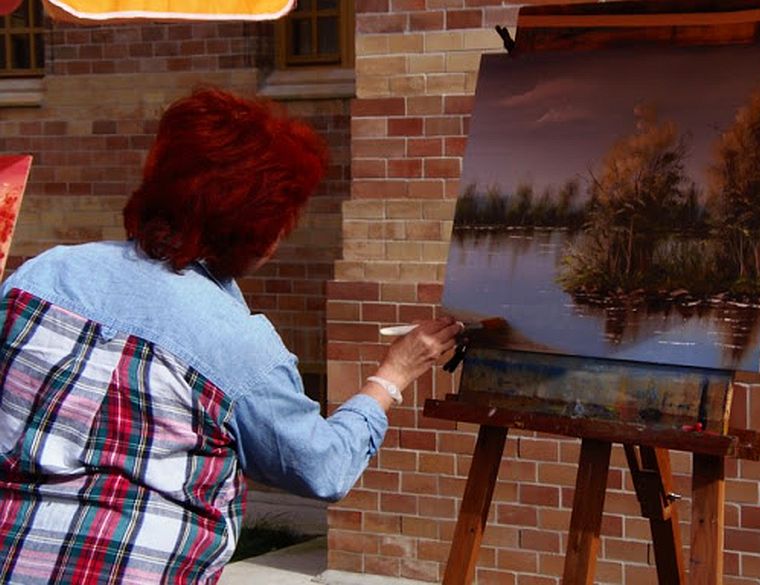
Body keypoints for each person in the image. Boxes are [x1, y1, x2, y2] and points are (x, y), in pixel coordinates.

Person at [0, 88, 461, 584]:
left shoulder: (42, 275)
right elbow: (323, 468)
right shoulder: (238, 348)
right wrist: (393, 374)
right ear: (254, 230)